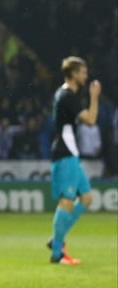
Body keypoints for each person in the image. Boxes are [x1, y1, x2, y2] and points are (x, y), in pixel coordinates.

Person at [47, 56, 101, 264]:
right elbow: (91, 119)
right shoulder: (67, 96)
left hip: (71, 153)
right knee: (67, 201)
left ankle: (56, 240)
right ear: (74, 74)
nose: (86, 76)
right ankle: (57, 254)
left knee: (86, 198)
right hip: (65, 153)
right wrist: (94, 97)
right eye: (83, 72)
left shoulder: (65, 95)